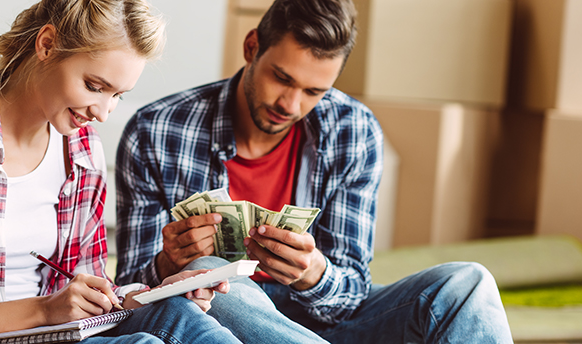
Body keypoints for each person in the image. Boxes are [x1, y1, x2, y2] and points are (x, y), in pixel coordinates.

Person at [114, 0, 515, 343]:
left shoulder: (352, 130)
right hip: (227, 320)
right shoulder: (157, 130)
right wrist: (170, 264)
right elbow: (130, 296)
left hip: (327, 322)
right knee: (209, 274)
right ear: (252, 47)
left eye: (313, 92)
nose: (290, 104)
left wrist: (314, 273)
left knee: (468, 283)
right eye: (281, 78)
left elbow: (352, 292)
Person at [0, 1, 246, 343]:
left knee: (183, 316)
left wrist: (164, 291)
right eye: (95, 86)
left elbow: (91, 292)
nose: (103, 112)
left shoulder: (83, 148)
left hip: (66, 335)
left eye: (118, 95)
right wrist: (45, 310)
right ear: (47, 45)